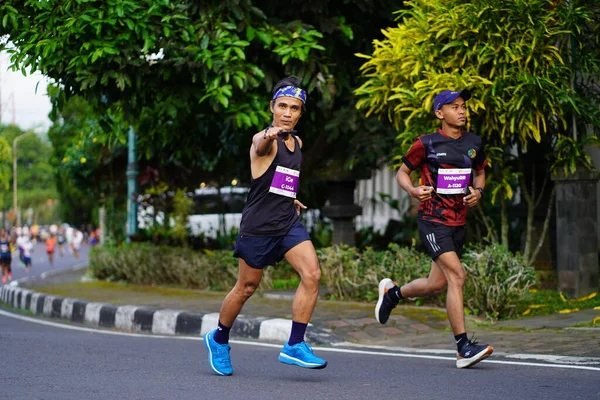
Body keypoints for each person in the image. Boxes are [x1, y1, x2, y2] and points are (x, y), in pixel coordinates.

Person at [203, 76, 326, 376]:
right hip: (258, 226)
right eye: (282, 106)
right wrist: (268, 135)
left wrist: (290, 196)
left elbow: (283, 177)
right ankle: (218, 339)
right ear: (272, 107)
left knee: (312, 274)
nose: (287, 113)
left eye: (294, 108)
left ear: (300, 112)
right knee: (246, 287)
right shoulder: (264, 139)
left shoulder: (297, 142)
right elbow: (259, 147)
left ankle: (294, 344)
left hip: (286, 222)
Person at [375, 89, 493, 369]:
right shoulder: (426, 143)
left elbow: (480, 172)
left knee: (436, 284)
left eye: (464, 106)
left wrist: (478, 191)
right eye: (455, 107)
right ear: (440, 113)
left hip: (458, 222)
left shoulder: (474, 143)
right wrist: (413, 190)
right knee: (457, 276)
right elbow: (402, 172)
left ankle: (392, 294)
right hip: (433, 221)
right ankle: (463, 347)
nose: (462, 111)